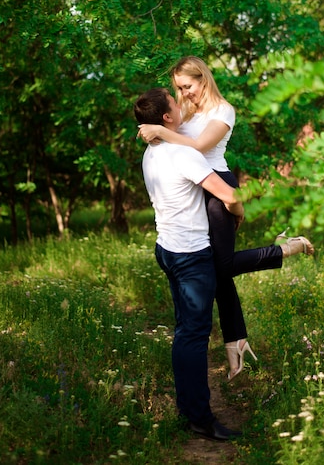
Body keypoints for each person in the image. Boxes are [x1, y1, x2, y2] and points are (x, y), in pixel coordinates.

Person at [138, 56, 314, 381]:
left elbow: (197, 145)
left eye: (187, 86)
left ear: (203, 79)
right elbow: (174, 146)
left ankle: (285, 249)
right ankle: (236, 340)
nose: (183, 94)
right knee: (216, 269)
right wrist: (159, 130)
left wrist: (160, 130)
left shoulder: (223, 111)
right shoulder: (185, 111)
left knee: (221, 266)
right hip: (196, 191)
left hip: (219, 191)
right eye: (178, 88)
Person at [134, 87, 245, 441]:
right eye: (174, 102)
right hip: (191, 255)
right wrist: (238, 216)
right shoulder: (183, 154)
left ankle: (188, 410)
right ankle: (200, 417)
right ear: (167, 117)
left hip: (166, 248)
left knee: (185, 332)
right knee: (194, 337)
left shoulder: (151, 153)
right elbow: (230, 196)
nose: (181, 105)